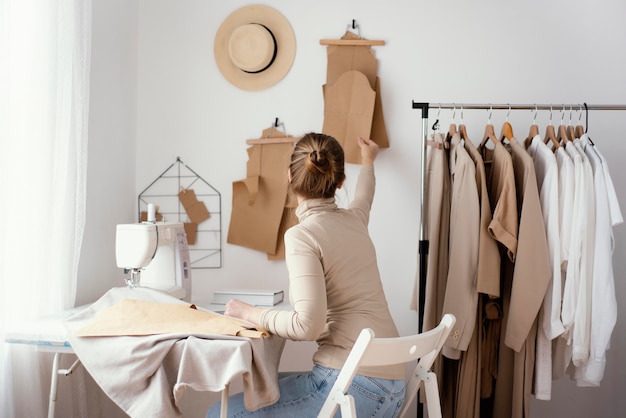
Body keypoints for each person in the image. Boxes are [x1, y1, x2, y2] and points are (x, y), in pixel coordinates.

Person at [207, 133, 405, 418]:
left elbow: (306, 326)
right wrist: (367, 160)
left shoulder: (302, 235)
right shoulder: (355, 220)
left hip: (353, 389)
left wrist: (248, 312)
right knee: (268, 384)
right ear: (340, 182)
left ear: (289, 176)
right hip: (394, 387)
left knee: (219, 413)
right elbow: (365, 196)